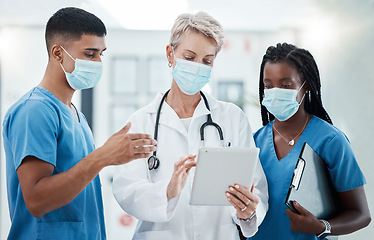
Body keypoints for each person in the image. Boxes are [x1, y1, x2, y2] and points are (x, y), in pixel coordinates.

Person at [2, 7, 156, 240]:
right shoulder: (35, 110)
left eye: (101, 54)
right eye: (89, 54)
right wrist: (103, 157)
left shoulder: (76, 116)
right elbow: (35, 200)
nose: (98, 62)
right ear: (57, 53)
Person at [112, 12, 268, 239]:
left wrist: (248, 211)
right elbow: (126, 189)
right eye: (189, 57)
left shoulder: (232, 118)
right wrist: (167, 191)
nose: (198, 67)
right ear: (170, 54)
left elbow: (257, 189)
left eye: (207, 61)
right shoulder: (142, 121)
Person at [249, 42, 371, 240]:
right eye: (268, 86)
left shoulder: (331, 141)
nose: (275, 92)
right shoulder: (254, 141)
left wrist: (322, 226)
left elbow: (361, 215)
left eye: (286, 85)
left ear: (305, 85)